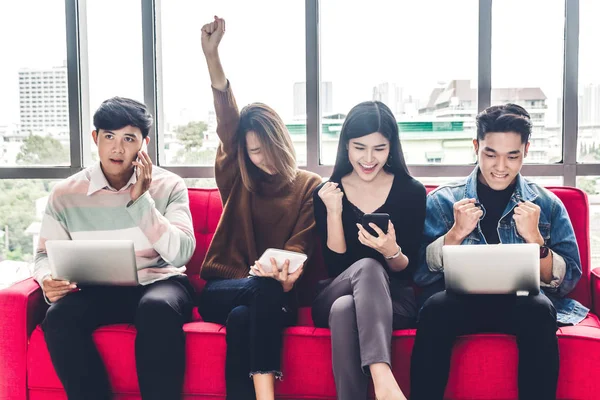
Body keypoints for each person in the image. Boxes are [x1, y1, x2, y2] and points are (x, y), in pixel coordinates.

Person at [410, 103, 588, 400]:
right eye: (490, 154)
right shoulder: (443, 200)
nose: (500, 167)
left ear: (526, 150)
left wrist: (535, 240)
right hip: (456, 302)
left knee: (541, 309)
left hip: (521, 304)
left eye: (512, 156)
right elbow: (418, 274)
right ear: (476, 146)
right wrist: (455, 234)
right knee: (434, 310)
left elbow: (569, 279)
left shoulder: (547, 204)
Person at [34, 96, 197, 400]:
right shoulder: (65, 193)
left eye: (128, 138)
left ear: (143, 144)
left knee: (156, 308)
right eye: (109, 136)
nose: (118, 148)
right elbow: (44, 255)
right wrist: (47, 280)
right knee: (58, 317)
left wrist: (141, 201)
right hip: (97, 288)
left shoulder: (170, 185)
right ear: (95, 138)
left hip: (161, 283)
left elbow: (181, 252)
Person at [196, 16, 322, 400]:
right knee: (250, 296)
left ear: (281, 142)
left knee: (244, 316)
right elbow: (228, 122)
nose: (262, 159)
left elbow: (300, 248)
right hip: (222, 287)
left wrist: (287, 276)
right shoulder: (238, 178)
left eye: (267, 149)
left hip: (278, 295)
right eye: (252, 151)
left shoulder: (308, 187)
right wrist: (212, 57)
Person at [311, 100, 426, 400]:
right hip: (334, 289)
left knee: (345, 310)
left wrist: (392, 250)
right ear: (346, 146)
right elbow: (336, 269)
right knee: (366, 268)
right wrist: (334, 212)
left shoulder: (411, 192)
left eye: (379, 148)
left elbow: (408, 270)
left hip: (393, 302)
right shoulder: (327, 193)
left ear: (391, 147)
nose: (368, 158)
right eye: (359, 147)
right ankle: (382, 376)